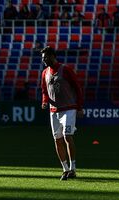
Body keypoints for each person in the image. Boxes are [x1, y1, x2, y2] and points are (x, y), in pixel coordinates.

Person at [40, 46, 84, 180]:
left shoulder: (65, 70)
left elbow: (77, 87)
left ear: (53, 56)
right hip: (53, 111)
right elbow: (44, 90)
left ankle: (73, 168)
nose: (44, 60)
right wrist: (44, 101)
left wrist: (79, 107)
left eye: (45, 57)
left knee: (67, 136)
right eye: (42, 58)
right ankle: (65, 169)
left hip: (68, 108)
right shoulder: (45, 73)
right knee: (57, 139)